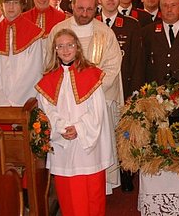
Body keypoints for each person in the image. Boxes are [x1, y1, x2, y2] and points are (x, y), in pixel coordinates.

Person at [47, 0, 123, 195]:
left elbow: (112, 67)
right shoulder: (58, 30)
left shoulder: (105, 33)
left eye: (90, 9)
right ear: (72, 6)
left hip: (95, 102)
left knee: (94, 152)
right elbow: (48, 64)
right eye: (80, 8)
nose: (84, 13)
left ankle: (100, 188)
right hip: (64, 103)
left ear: (96, 8)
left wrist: (88, 92)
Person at [35, 28, 114, 216]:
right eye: (60, 46)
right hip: (63, 145)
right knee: (68, 194)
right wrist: (62, 128)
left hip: (88, 145)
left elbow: (97, 111)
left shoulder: (91, 74)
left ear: (77, 47)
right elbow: (46, 111)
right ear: (54, 50)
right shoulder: (48, 80)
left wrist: (78, 128)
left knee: (92, 193)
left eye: (69, 45)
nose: (65, 50)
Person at [97, 0, 144, 192]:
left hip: (123, 88)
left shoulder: (132, 25)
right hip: (97, 91)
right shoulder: (92, 23)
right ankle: (102, 175)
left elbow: (136, 62)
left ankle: (126, 173)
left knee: (124, 135)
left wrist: (134, 93)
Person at [0, 0, 43, 107]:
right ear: (1, 5)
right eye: (7, 2)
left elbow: (34, 71)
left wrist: (14, 102)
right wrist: (1, 102)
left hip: (24, 102)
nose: (11, 7)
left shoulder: (34, 33)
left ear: (22, 5)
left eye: (15, 2)